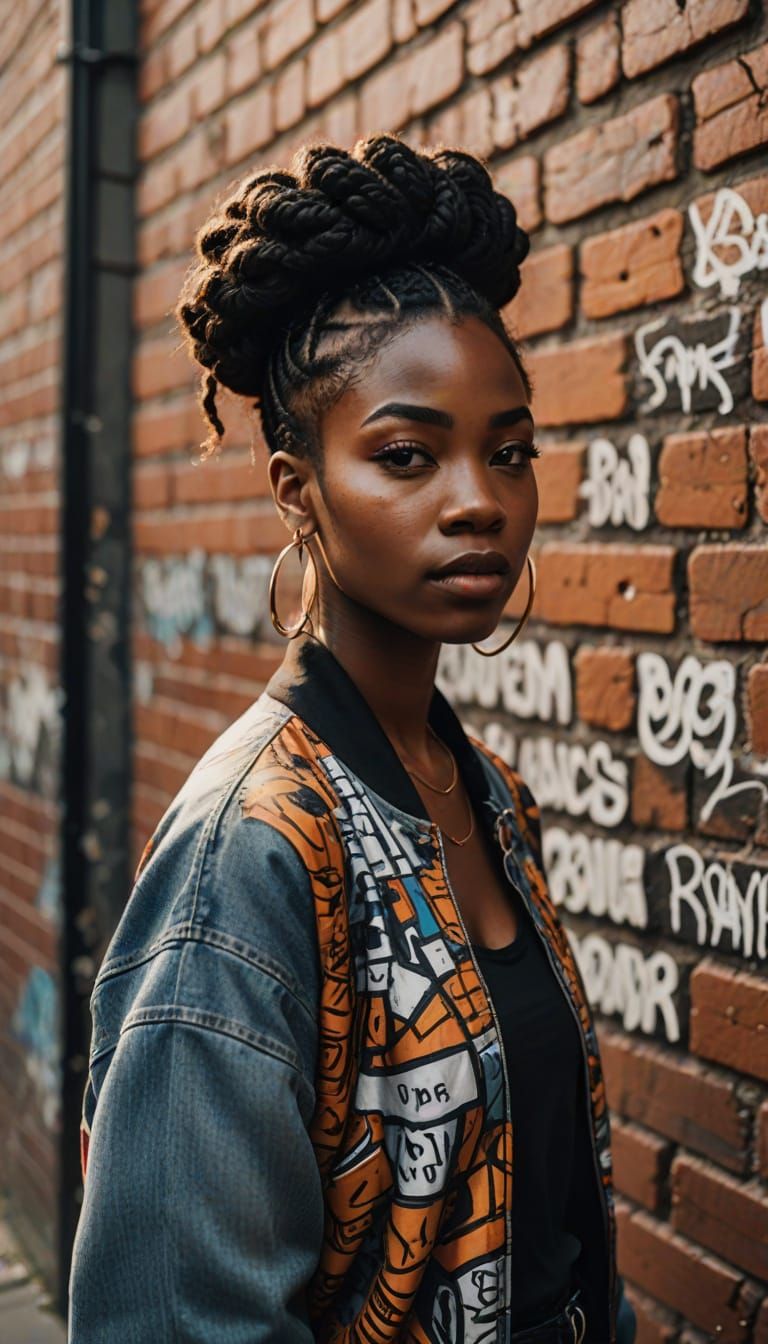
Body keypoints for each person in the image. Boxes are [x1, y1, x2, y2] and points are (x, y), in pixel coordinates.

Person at [67, 133, 636, 1344]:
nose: (480, 498)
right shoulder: (250, 860)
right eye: (407, 455)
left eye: (512, 452)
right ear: (295, 488)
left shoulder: (485, 797)